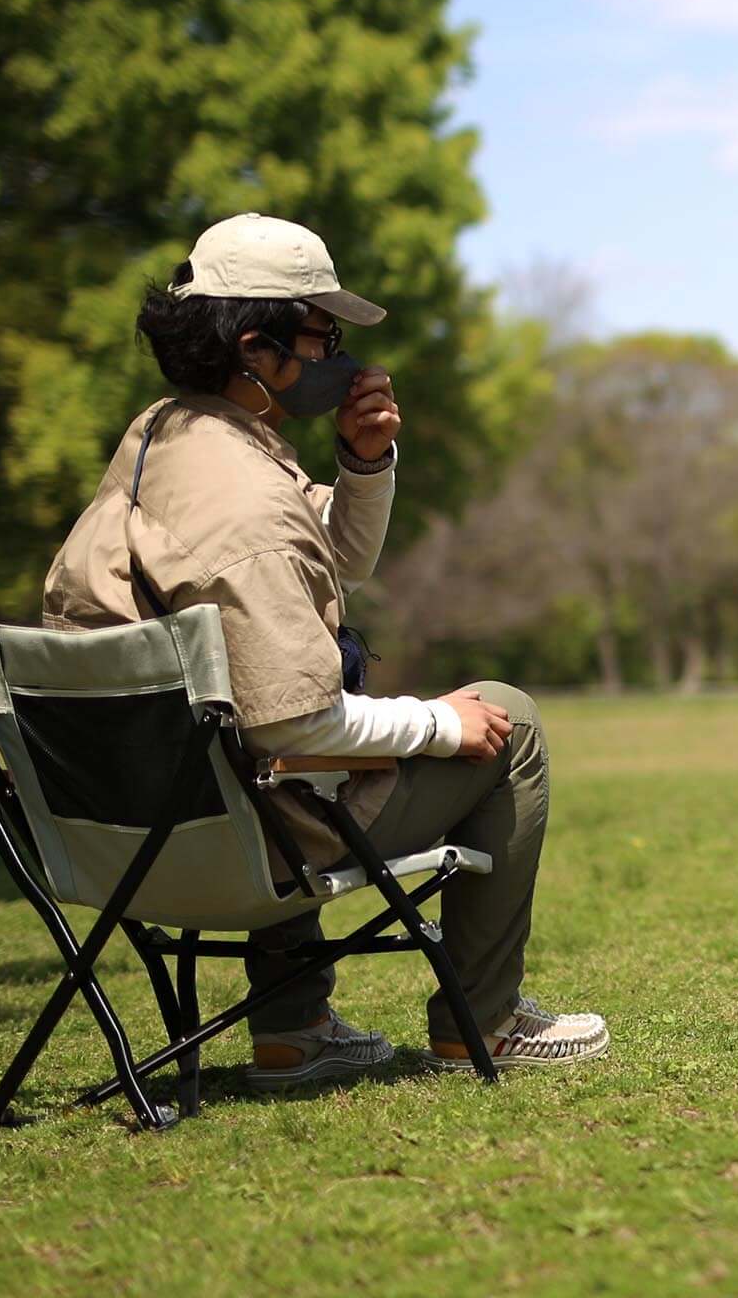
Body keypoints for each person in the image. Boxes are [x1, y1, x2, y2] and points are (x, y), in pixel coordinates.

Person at [41, 214, 609, 1083]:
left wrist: (363, 461)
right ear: (257, 347)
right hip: (242, 848)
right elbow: (295, 722)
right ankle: (482, 1022)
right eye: (323, 333)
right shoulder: (248, 505)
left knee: (256, 736)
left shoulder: (166, 440)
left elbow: (331, 556)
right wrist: (438, 724)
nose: (339, 356)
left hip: (123, 848)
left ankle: (292, 1030)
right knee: (511, 717)